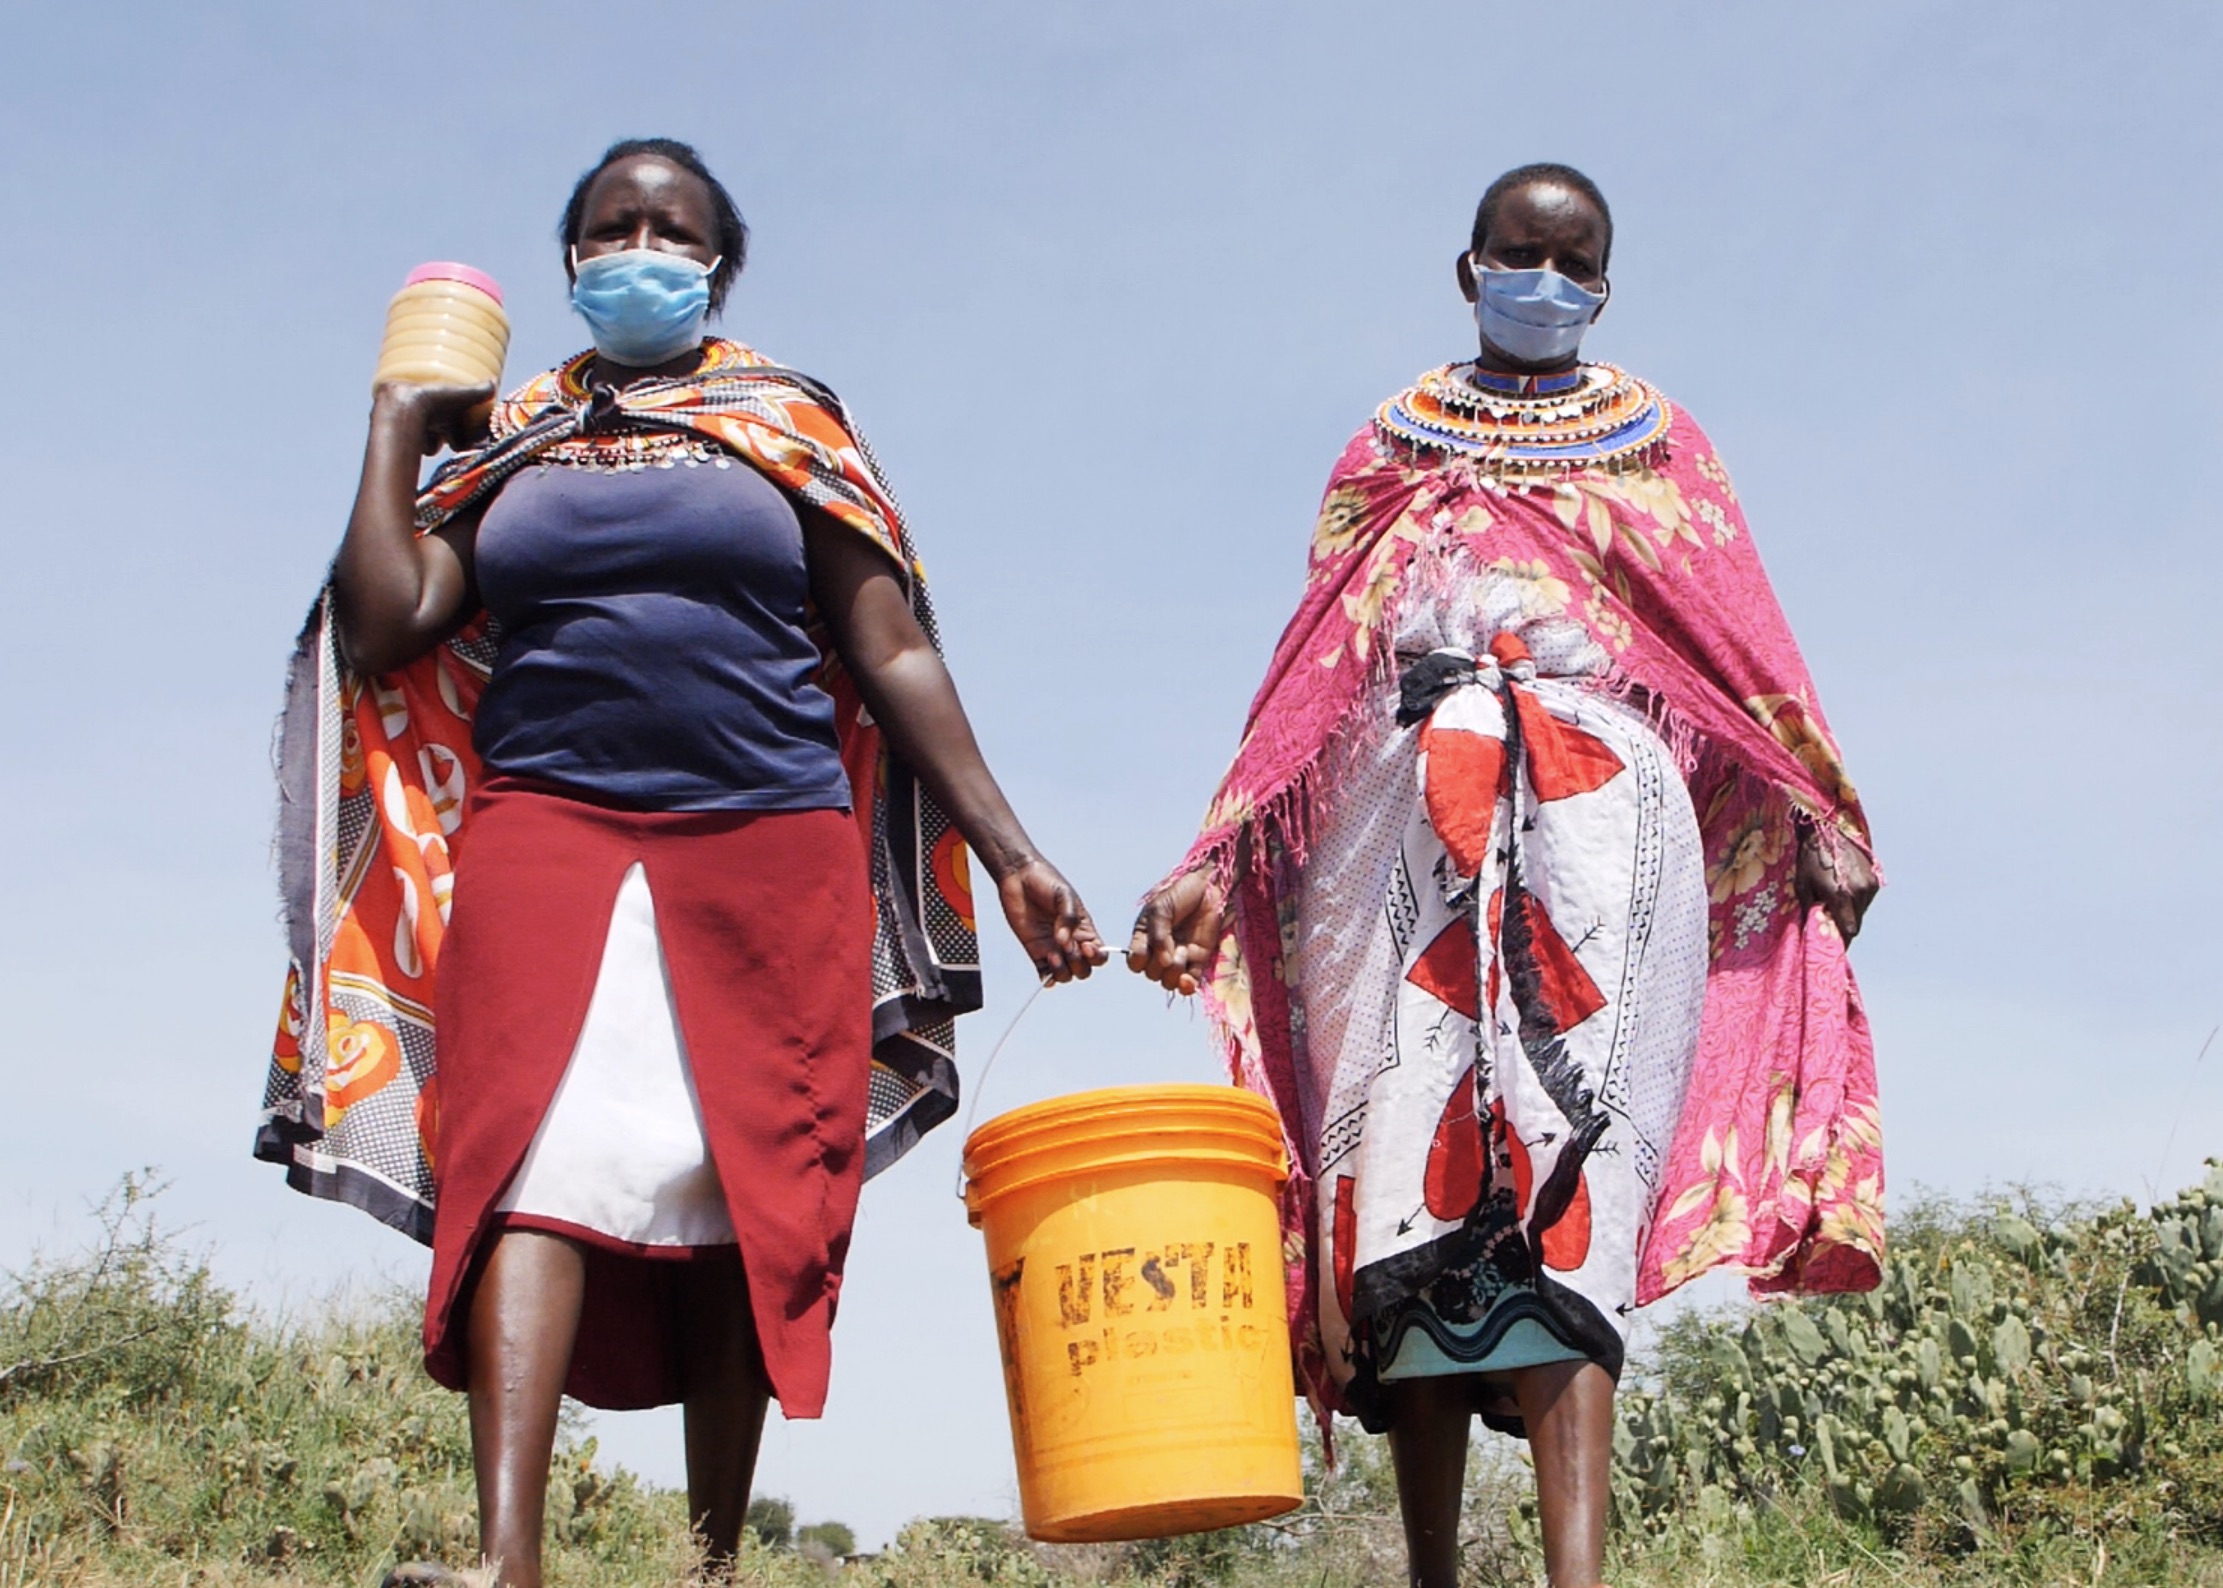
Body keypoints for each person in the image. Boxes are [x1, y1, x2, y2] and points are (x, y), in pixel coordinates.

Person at [257, 137, 1108, 1588]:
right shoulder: (516, 435)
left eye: (670, 228)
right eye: (608, 228)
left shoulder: (788, 423)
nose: (637, 246)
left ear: (720, 264)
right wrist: (402, 416)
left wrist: (1011, 851)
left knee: (745, 1181)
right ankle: (507, 1560)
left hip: (769, 843)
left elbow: (889, 645)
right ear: (569, 259)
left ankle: (715, 1563)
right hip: (546, 832)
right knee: (528, 1151)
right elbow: (388, 620)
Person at [1127, 163, 1882, 1588]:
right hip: (1401, 819)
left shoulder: (1662, 447)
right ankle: (1428, 1570)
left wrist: (1820, 806)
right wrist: (1218, 854)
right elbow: (1310, 671)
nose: (1547, 278)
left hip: (1604, 831)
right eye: (1521, 254)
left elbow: (1743, 653)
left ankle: (1576, 1576)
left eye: (1575, 260)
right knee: (1398, 1179)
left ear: (1604, 282)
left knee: (1567, 1164)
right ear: (1465, 268)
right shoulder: (1387, 450)